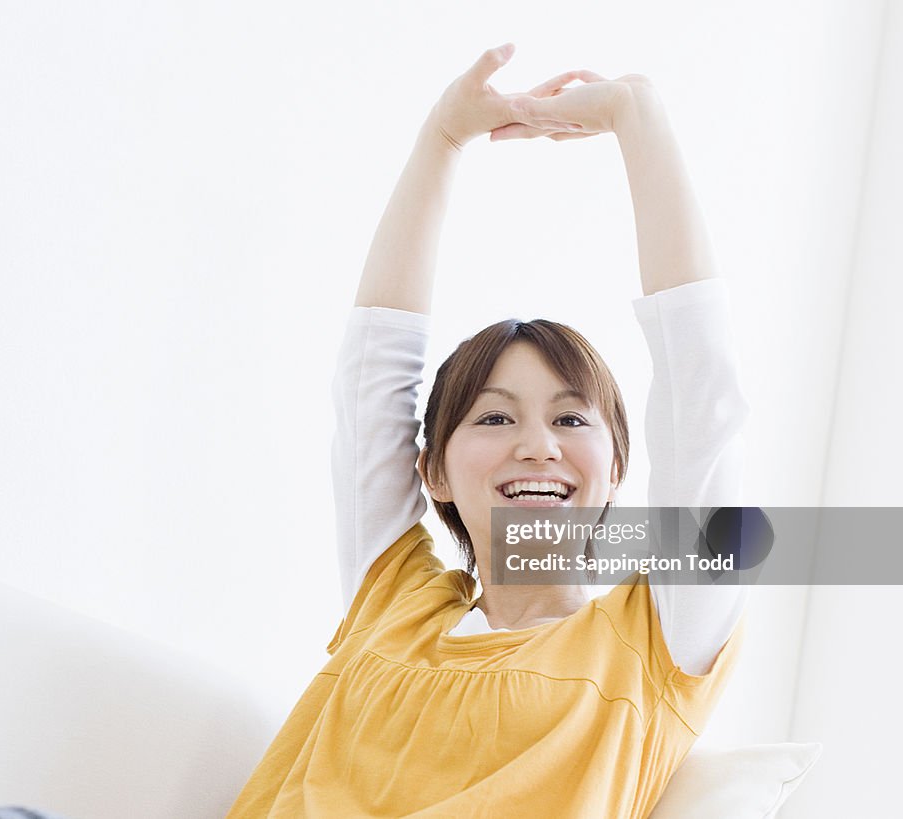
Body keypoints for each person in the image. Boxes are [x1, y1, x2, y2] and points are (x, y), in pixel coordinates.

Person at [227, 43, 751, 818]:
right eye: (496, 416)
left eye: (571, 418)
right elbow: (372, 377)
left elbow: (703, 396)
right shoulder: (393, 603)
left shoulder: (655, 640)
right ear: (431, 471)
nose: (537, 443)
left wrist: (639, 123)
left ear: (615, 468)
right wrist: (442, 139)